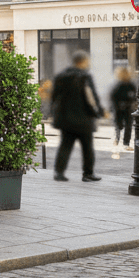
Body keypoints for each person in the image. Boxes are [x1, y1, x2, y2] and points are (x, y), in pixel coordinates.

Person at [51, 50, 104, 182]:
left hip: (66, 119)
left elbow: (54, 97)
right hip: (84, 118)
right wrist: (99, 111)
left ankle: (59, 173)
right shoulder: (85, 76)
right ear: (83, 61)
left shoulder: (61, 76)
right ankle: (88, 174)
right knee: (87, 148)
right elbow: (92, 96)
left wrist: (54, 113)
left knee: (65, 146)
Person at [109, 66, 137, 158]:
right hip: (118, 108)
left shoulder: (131, 85)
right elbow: (113, 97)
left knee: (128, 125)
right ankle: (117, 140)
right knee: (119, 125)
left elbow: (135, 96)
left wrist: (132, 103)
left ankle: (125, 143)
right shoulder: (118, 85)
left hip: (128, 108)